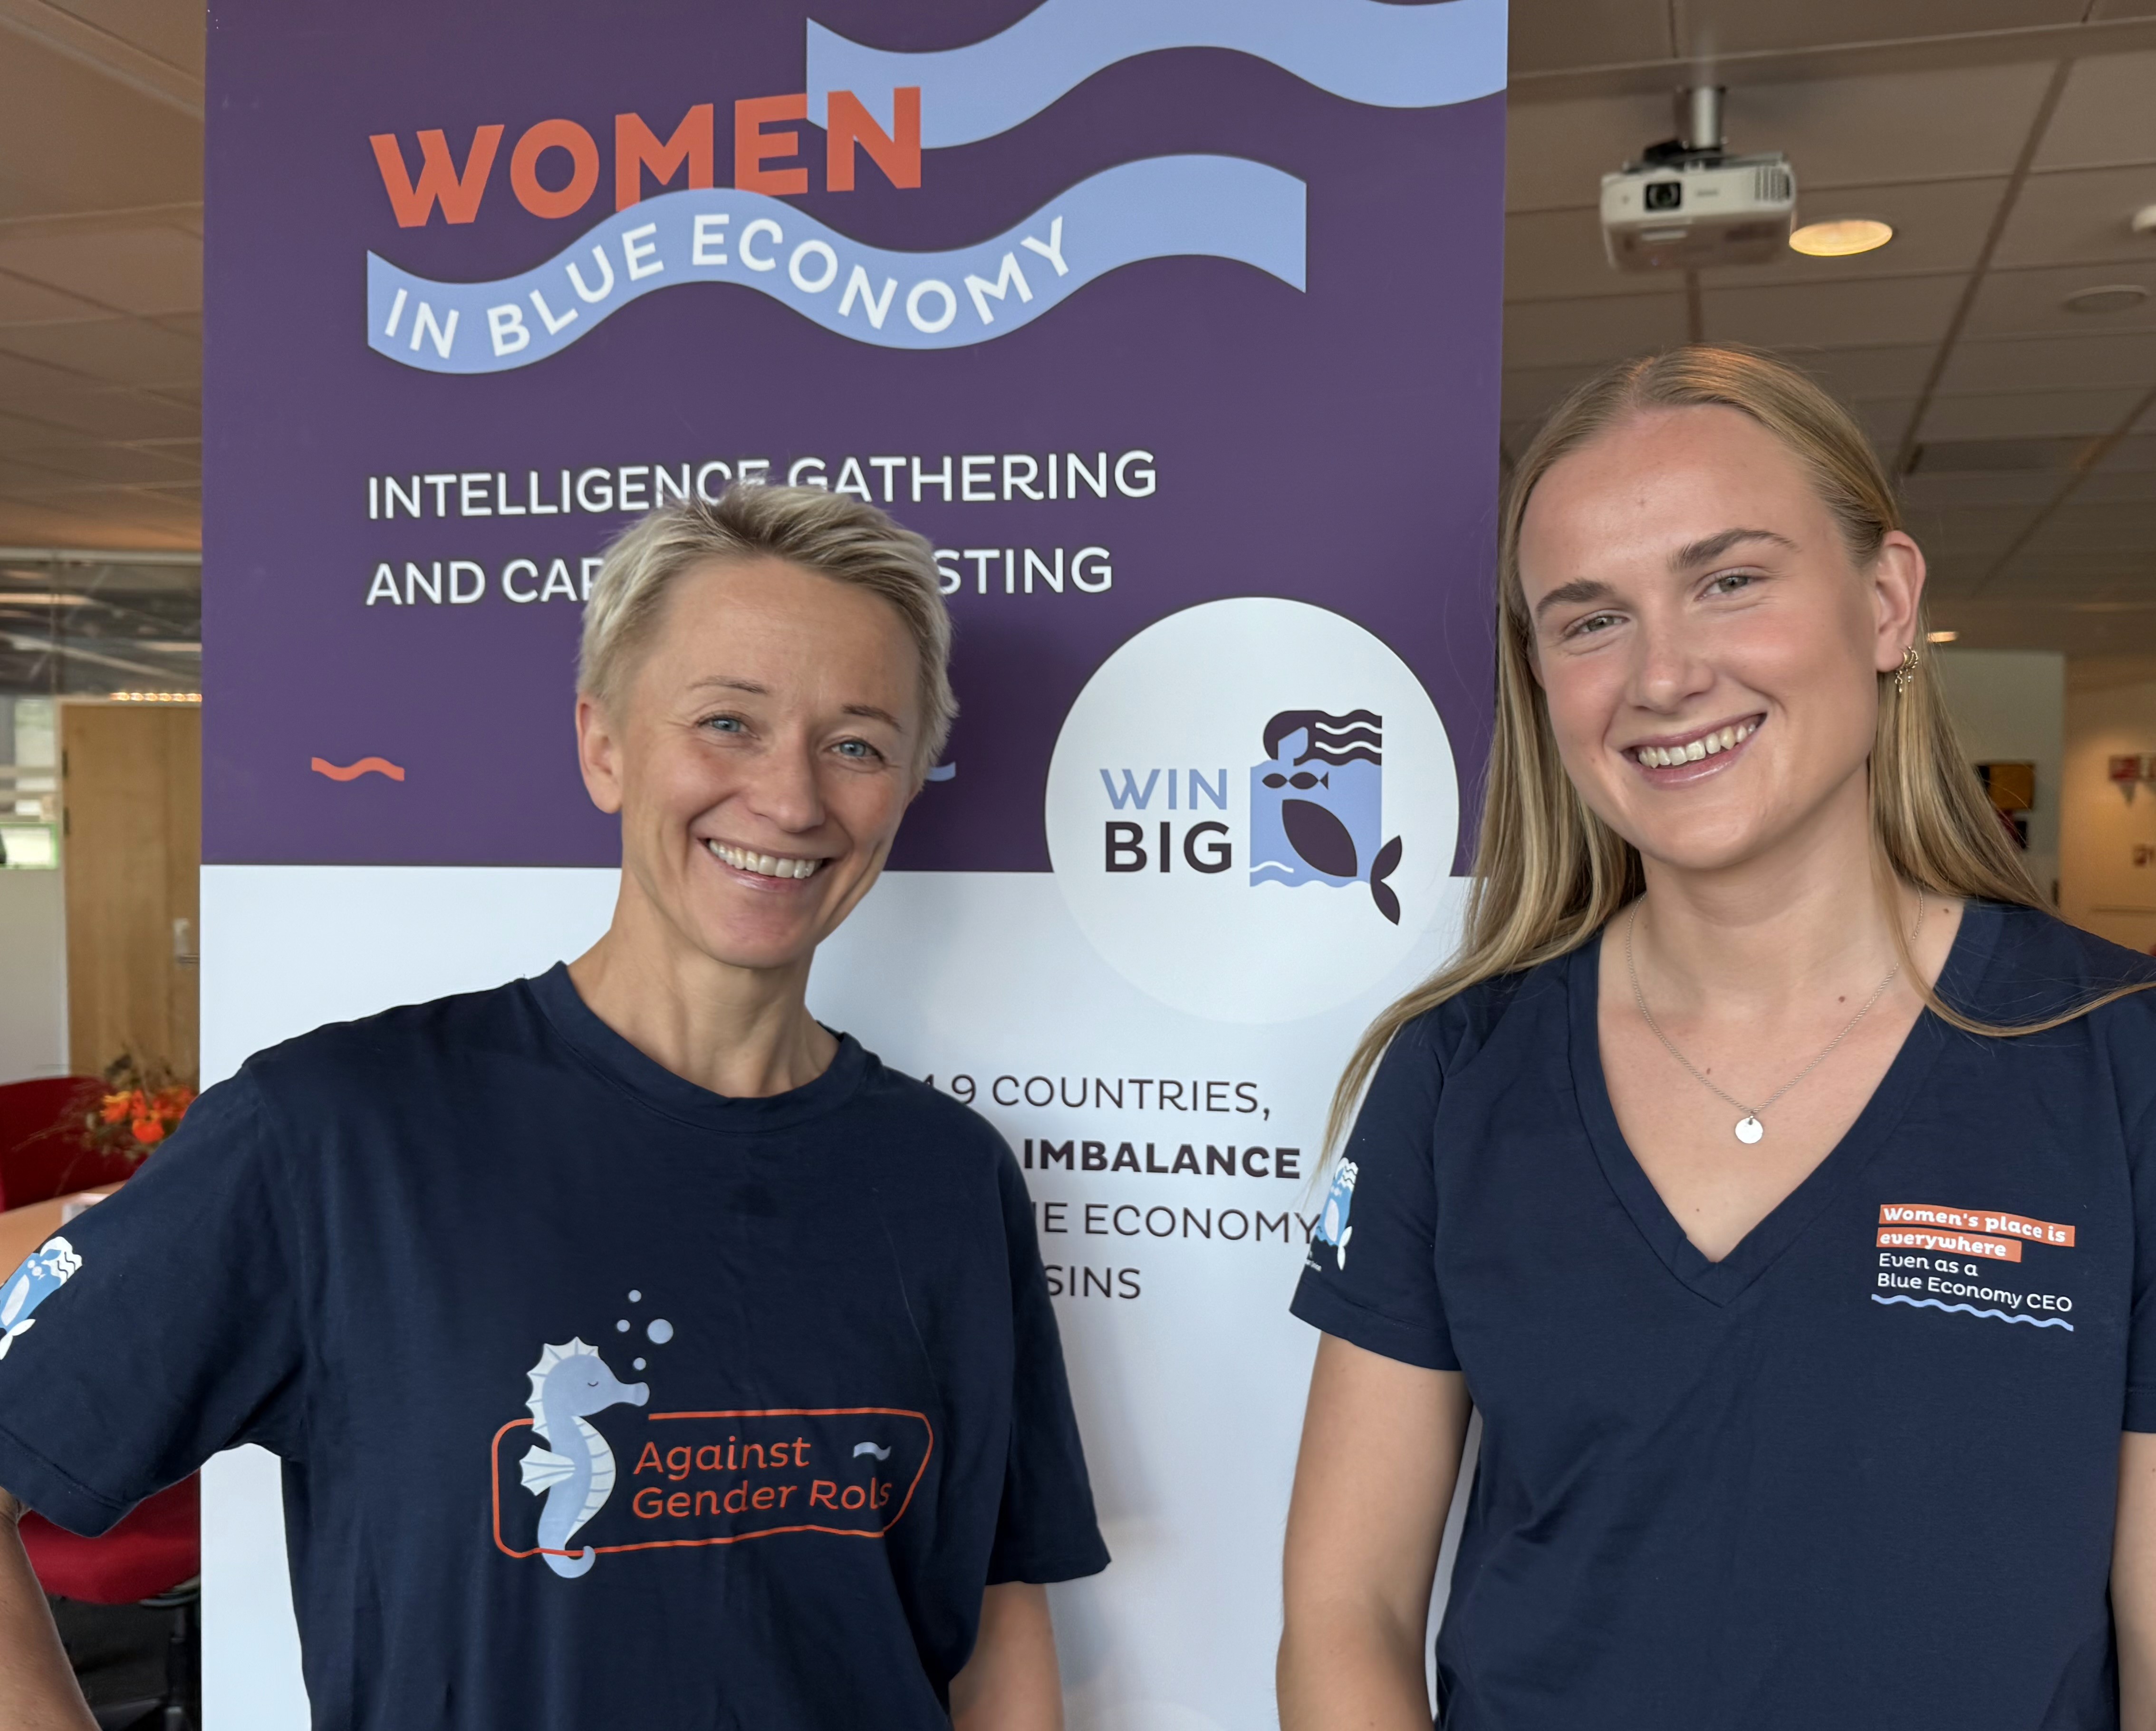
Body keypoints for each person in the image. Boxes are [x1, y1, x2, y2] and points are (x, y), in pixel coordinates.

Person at [0, 486, 1108, 1730]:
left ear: (905, 784)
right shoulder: (338, 1134)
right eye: (728, 720)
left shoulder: (946, 1175)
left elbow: (999, 1608)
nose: (793, 799)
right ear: (603, 744)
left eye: (855, 742)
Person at [1277, 346, 2156, 1730]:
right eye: (1588, 620)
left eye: (1729, 580)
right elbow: (1349, 1615)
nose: (1665, 674)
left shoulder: (2119, 1061)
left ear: (1885, 602)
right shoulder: (1458, 1074)